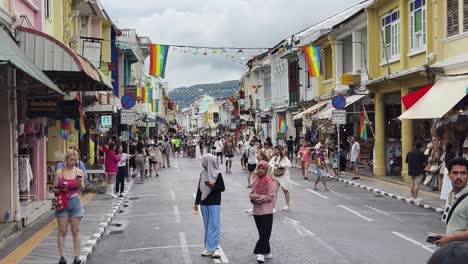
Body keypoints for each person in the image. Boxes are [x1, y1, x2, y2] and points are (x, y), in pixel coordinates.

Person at [54, 149, 85, 264]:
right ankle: (62, 257)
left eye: (75, 160)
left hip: (75, 202)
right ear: (66, 159)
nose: (73, 162)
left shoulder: (79, 172)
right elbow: (54, 188)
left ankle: (76, 257)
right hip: (63, 203)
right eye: (71, 160)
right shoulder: (59, 172)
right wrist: (62, 189)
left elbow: (82, 189)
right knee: (62, 231)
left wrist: (79, 184)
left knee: (76, 231)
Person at [193, 154, 225, 259]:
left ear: (208, 162)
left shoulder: (217, 174)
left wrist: (213, 186)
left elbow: (222, 188)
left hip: (215, 202)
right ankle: (208, 248)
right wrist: (196, 203)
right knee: (207, 226)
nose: (202, 164)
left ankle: (215, 249)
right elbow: (199, 189)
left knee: (214, 225)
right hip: (204, 203)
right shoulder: (202, 174)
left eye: (204, 161)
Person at [432, 158, 468, 246]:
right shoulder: (451, 194)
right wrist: (446, 237)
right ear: (449, 175)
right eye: (455, 173)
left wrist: (451, 238)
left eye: (463, 173)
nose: (459, 177)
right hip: (451, 250)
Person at [249, 160, 276, 263]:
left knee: (265, 232)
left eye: (263, 168)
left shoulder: (269, 180)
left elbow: (271, 195)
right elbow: (252, 193)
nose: (260, 170)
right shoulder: (255, 180)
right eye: (259, 168)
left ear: (266, 169)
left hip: (267, 211)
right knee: (262, 233)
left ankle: (260, 253)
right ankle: (267, 251)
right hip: (256, 210)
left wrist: (260, 197)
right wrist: (252, 198)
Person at [269, 145, 291, 211]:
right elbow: (270, 164)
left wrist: (281, 165)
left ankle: (287, 204)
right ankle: (273, 207)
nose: (274, 151)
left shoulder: (284, 158)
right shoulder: (274, 158)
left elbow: (288, 164)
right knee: (274, 191)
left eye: (275, 149)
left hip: (283, 176)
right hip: (276, 176)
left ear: (278, 150)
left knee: (285, 190)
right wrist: (274, 166)